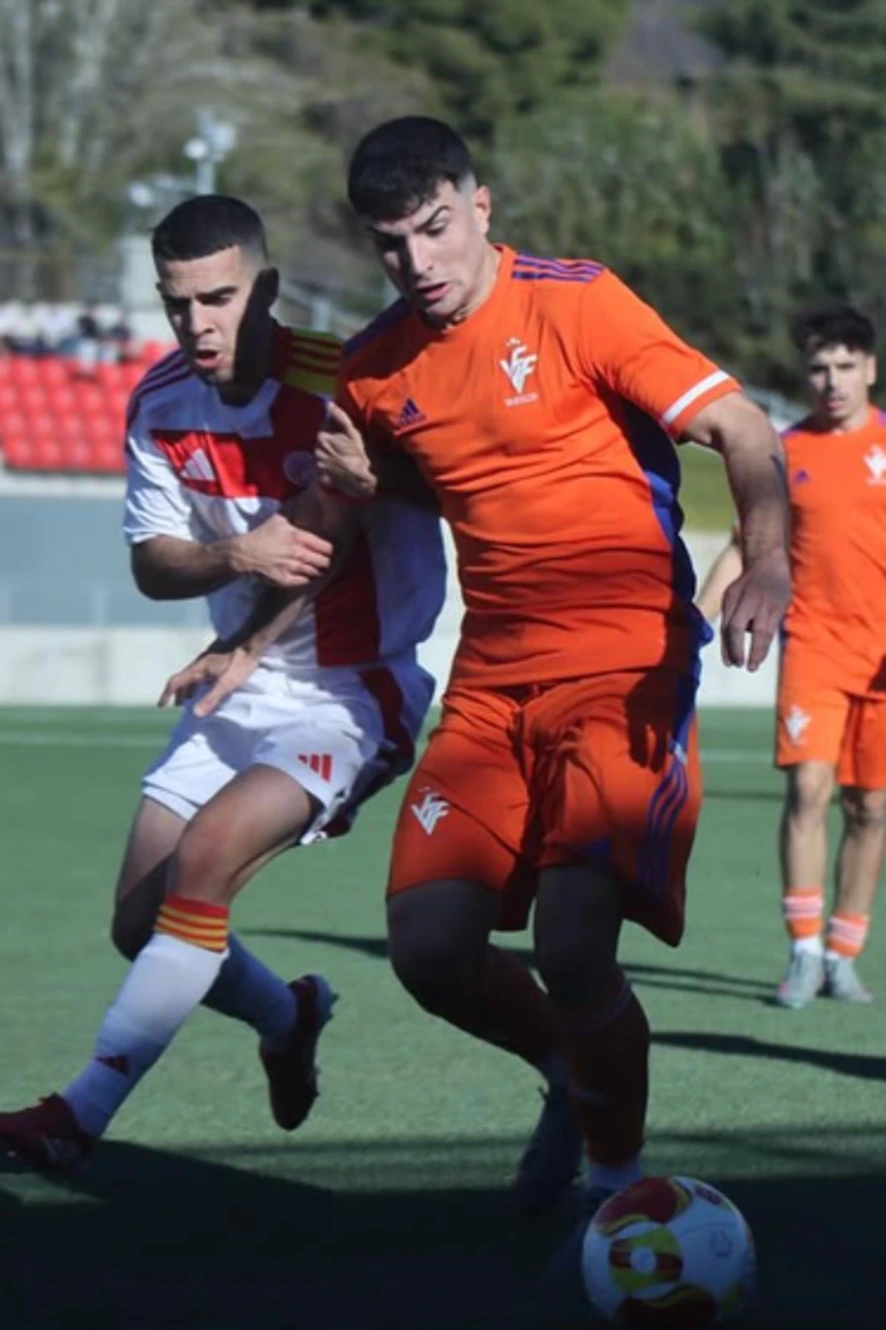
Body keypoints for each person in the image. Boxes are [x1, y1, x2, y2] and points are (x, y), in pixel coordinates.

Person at [310, 116, 791, 1220]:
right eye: (391, 244)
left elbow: (744, 429)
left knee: (573, 944)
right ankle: (571, 1076)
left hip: (627, 661)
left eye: (434, 228)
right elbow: (444, 487)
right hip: (489, 682)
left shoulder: (577, 301)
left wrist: (765, 566)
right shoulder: (372, 368)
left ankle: (617, 1195)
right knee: (429, 951)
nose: (417, 262)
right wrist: (364, 483)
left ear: (480, 207)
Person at [0, 194, 446, 1176]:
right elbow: (154, 564)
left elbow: (361, 523)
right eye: (177, 303)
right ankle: (289, 1015)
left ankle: (74, 1117)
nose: (197, 324)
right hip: (231, 687)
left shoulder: (348, 381)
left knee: (204, 862)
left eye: (218, 298)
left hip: (351, 688)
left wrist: (256, 619)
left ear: (269, 289)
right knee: (136, 923)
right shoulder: (161, 400)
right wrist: (233, 553)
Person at [769, 306, 886, 1008]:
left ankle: (845, 951)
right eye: (819, 367)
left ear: (870, 369)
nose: (832, 381)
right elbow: (757, 544)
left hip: (883, 657)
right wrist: (704, 611)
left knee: (869, 806)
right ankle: (804, 951)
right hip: (813, 642)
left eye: (846, 366)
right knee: (808, 791)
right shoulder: (787, 451)